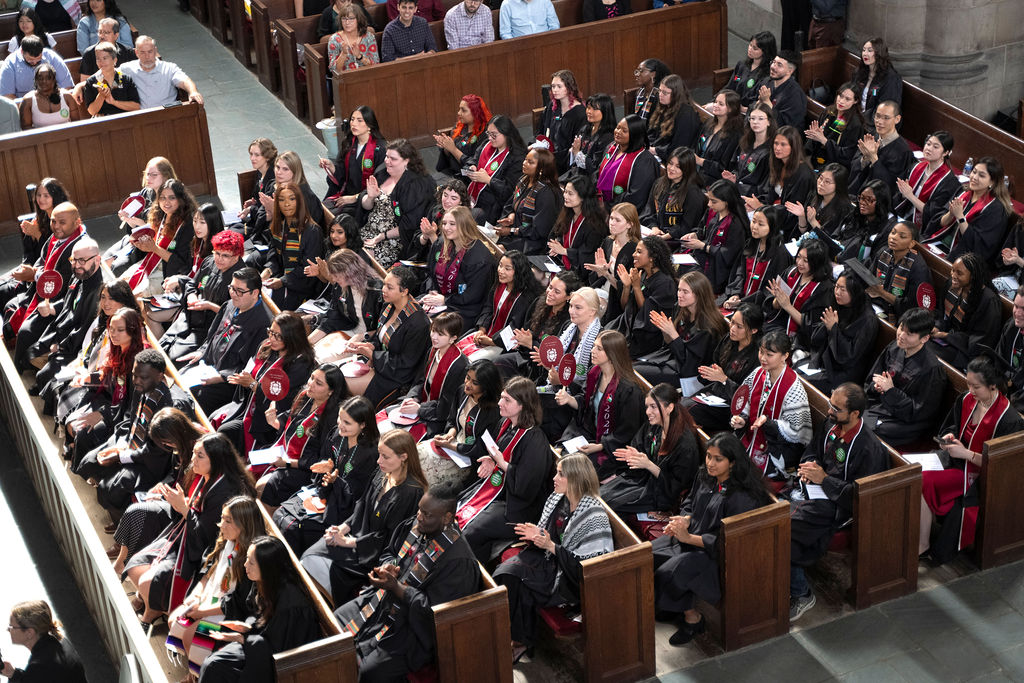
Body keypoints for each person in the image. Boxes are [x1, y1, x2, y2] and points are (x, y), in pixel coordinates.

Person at [334, 483, 479, 681]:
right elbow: (391, 552)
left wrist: (398, 588)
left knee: (368, 672)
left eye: (427, 515)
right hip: (382, 601)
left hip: (411, 628)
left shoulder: (459, 562)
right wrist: (388, 566)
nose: (419, 517)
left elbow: (435, 613)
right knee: (336, 623)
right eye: (420, 510)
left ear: (447, 517)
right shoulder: (417, 525)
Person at [124, 433, 257, 629]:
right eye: (194, 453)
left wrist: (184, 509)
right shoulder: (208, 476)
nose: (193, 459)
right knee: (135, 567)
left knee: (146, 581)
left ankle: (150, 612)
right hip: (185, 536)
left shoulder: (226, 491)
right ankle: (151, 606)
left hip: (203, 551)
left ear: (217, 460)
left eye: (200, 456)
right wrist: (179, 504)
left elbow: (208, 536)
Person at [652, 432, 771, 645]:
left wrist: (688, 538)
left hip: (718, 557)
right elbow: (689, 501)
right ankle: (673, 606)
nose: (710, 463)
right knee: (648, 554)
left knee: (672, 570)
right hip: (691, 537)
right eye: (708, 456)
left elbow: (727, 542)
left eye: (718, 459)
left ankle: (692, 619)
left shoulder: (742, 497)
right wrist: (685, 519)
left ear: (732, 463)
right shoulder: (705, 476)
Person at [493, 455, 613, 661]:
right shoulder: (560, 499)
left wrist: (549, 544)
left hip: (568, 577)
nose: (554, 478)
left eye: (561, 474)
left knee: (515, 580)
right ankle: (519, 639)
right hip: (549, 559)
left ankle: (520, 641)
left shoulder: (594, 516)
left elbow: (588, 568)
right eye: (556, 472)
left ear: (576, 479)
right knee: (506, 575)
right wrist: (537, 534)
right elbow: (548, 535)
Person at [787, 382, 888, 621]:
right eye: (831, 405)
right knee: (778, 526)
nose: (830, 411)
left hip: (839, 508)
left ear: (854, 414)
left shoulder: (869, 448)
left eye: (836, 408)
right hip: (816, 492)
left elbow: (860, 496)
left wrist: (824, 480)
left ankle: (800, 592)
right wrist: (810, 465)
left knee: (781, 526)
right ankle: (799, 590)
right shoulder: (831, 424)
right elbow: (813, 450)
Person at [301, 429, 427, 604]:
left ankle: (330, 610)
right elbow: (362, 504)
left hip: (373, 553)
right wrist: (342, 528)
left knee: (333, 568)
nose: (378, 461)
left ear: (404, 457)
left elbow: (389, 538)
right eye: (379, 455)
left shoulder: (410, 492)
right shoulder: (382, 473)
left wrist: (347, 542)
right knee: (310, 554)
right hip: (358, 536)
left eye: (385, 457)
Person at [920, 357, 1024, 565]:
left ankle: (922, 546)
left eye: (976, 386)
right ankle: (921, 539)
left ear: (993, 386)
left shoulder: (1008, 419)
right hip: (956, 460)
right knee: (915, 472)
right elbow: (951, 426)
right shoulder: (966, 400)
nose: (971, 390)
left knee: (923, 480)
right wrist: (949, 438)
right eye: (968, 384)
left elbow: (1002, 465)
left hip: (978, 475)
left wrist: (966, 454)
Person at [165, 496, 265, 678]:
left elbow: (238, 602)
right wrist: (197, 594)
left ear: (244, 525)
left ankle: (197, 675)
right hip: (210, 599)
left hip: (231, 613)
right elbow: (208, 572)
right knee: (174, 620)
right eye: (222, 518)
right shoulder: (226, 541)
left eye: (228, 521)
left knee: (190, 636)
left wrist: (201, 612)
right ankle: (194, 673)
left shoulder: (250, 560)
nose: (221, 525)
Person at [198, 536, 320, 682]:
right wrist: (248, 627)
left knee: (216, 668)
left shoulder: (292, 606)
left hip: (277, 663)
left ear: (267, 566)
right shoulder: (265, 581)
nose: (245, 565)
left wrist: (243, 638)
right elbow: (259, 618)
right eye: (247, 559)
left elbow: (280, 649)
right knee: (211, 663)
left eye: (251, 562)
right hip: (257, 644)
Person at [457, 376, 553, 561]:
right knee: (456, 504)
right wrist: (492, 460)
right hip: (501, 492)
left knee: (471, 530)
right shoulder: (507, 423)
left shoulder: (535, 440)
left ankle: (471, 575)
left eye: (507, 400)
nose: (500, 402)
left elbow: (525, 488)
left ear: (523, 405)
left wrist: (501, 463)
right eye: (501, 397)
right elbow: (500, 453)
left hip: (518, 507)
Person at [73, 349, 174, 521]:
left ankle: (121, 528)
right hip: (128, 441)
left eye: (143, 377)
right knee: (90, 461)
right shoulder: (140, 387)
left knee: (110, 489)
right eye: (135, 375)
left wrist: (123, 455)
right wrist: (119, 444)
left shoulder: (168, 407)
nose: (136, 381)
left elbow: (156, 450)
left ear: (159, 376)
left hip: (149, 462)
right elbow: (129, 418)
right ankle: (113, 508)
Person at [272, 395, 380, 555]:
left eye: (347, 423)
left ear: (363, 425)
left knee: (295, 528)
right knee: (281, 513)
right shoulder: (337, 435)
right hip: (322, 489)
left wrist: (337, 481)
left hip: (343, 505)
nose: (340, 425)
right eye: (340, 419)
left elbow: (359, 493)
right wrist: (326, 468)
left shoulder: (370, 453)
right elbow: (325, 459)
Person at [107, 407, 204, 573]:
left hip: (186, 507)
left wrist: (168, 497)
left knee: (139, 513)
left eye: (168, 442)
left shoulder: (201, 449)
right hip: (174, 496)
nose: (167, 446)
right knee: (135, 509)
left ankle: (124, 562)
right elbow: (174, 474)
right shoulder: (179, 444)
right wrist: (163, 487)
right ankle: (123, 559)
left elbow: (194, 489)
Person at [215, 313, 319, 457]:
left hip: (266, 420)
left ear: (292, 338)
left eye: (279, 336)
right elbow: (251, 369)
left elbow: (282, 399)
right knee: (214, 418)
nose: (272, 339)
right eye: (271, 332)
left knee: (225, 431)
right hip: (246, 405)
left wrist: (253, 385)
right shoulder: (268, 348)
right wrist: (244, 379)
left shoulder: (301, 364)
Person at [178, 268, 271, 414]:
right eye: (231, 288)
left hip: (230, 383)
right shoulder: (230, 305)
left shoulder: (263, 325)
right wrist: (202, 351)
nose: (233, 293)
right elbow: (212, 335)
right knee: (179, 375)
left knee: (195, 397)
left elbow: (250, 365)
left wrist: (221, 377)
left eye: (239, 291)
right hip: (207, 366)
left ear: (254, 293)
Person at [2, 201, 86, 360]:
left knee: (27, 331)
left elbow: (62, 282)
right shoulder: (55, 238)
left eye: (62, 222)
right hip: (43, 290)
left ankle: (19, 368)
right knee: (10, 305)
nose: (56, 226)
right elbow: (41, 260)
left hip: (59, 300)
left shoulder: (80, 247)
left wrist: (35, 275)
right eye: (53, 221)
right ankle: (12, 344)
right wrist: (36, 272)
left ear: (77, 223)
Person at [601, 383, 701, 515]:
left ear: (669, 407)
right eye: (647, 407)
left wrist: (649, 465)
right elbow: (640, 445)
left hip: (660, 493)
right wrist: (636, 455)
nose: (648, 412)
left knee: (610, 505)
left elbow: (676, 487)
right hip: (643, 479)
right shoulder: (654, 425)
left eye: (653, 407)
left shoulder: (685, 444)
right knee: (599, 496)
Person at [557, 330, 645, 480]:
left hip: (611, 447)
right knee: (559, 454)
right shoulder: (595, 373)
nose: (593, 351)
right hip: (589, 433)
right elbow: (585, 403)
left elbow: (627, 432)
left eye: (599, 348)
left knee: (572, 469)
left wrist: (600, 446)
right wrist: (569, 399)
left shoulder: (629, 390)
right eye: (594, 346)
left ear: (612, 354)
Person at [344, 266, 431, 408]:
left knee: (342, 383)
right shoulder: (388, 306)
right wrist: (370, 346)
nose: (383, 289)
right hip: (382, 363)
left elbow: (406, 364)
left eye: (389, 287)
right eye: (384, 284)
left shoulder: (418, 323)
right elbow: (380, 338)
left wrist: (373, 355)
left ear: (404, 291)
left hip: (397, 377)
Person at [730, 330, 813, 478]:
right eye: (761, 352)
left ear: (785, 356)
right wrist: (742, 418)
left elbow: (798, 430)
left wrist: (769, 423)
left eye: (769, 354)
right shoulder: (757, 373)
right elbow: (746, 402)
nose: (763, 358)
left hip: (775, 449)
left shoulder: (793, 389)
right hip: (751, 437)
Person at [17, 237, 103, 377]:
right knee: (28, 350)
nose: (76, 265)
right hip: (62, 328)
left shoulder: (99, 292)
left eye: (82, 260)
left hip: (73, 343)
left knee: (43, 375)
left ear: (97, 260)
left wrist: (60, 345)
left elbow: (84, 329)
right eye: (73, 260)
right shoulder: (80, 274)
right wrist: (52, 308)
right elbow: (69, 301)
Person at [863, 307, 947, 446]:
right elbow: (872, 377)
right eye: (901, 328)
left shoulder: (932, 369)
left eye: (909, 334)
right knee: (850, 412)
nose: (901, 335)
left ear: (925, 338)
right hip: (883, 406)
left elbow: (920, 412)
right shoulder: (894, 347)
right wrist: (877, 386)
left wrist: (891, 391)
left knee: (870, 430)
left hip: (907, 423)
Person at [160, 228, 245, 362]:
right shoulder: (209, 262)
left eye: (225, 256)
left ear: (236, 256)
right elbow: (192, 284)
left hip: (213, 328)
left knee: (174, 358)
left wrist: (210, 306)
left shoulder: (242, 279)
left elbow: (237, 315)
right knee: (161, 348)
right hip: (192, 316)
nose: (219, 259)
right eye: (217, 253)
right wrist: (191, 295)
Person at [420, 359, 502, 489]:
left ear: (486, 386)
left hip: (469, 458)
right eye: (467, 378)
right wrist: (450, 434)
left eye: (474, 383)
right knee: (417, 453)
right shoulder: (462, 392)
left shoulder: (493, 411)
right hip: (453, 443)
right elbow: (452, 419)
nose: (467, 384)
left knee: (428, 473)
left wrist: (452, 446)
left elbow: (481, 447)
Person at [637, 271, 728, 387]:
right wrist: (665, 330)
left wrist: (672, 333)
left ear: (699, 295)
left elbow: (689, 363)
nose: (680, 295)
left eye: (685, 292)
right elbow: (669, 345)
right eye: (679, 290)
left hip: (689, 374)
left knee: (634, 373)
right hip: (672, 360)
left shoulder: (708, 327)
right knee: (630, 369)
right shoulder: (680, 309)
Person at [359, 139, 436, 267]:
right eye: (386, 156)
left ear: (407, 161)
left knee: (363, 265)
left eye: (393, 159)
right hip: (369, 230)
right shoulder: (384, 173)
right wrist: (370, 198)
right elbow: (366, 207)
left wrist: (381, 236)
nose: (387, 161)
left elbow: (409, 225)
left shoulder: (416, 186)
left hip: (393, 240)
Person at [687, 304, 763, 432]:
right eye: (732, 322)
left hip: (732, 407)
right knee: (681, 406)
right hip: (715, 393)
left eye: (739, 326)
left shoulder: (758, 356)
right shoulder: (730, 339)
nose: (732, 328)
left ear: (753, 330)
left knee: (688, 412)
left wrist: (724, 379)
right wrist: (711, 372)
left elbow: (747, 396)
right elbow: (717, 361)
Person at [114, 178, 197, 292]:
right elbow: (153, 246)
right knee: (119, 287)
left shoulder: (187, 225)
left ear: (181, 199)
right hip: (149, 263)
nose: (166, 202)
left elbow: (181, 264)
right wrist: (143, 245)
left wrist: (154, 248)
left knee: (131, 293)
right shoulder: (159, 216)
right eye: (162, 198)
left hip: (168, 273)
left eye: (171, 198)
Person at [802, 270, 878, 391]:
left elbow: (850, 356)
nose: (837, 292)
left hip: (845, 372)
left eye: (843, 289)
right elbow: (818, 336)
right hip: (826, 359)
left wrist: (833, 328)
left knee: (803, 383)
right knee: (794, 371)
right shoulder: (840, 304)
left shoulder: (867, 320)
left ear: (855, 291)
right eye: (836, 286)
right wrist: (828, 326)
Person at [397, 312, 468, 438]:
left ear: (453, 338)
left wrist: (420, 409)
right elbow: (421, 380)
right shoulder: (433, 351)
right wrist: (413, 397)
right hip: (423, 404)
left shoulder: (459, 365)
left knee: (402, 439)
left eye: (440, 334)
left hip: (438, 417)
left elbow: (448, 405)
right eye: (433, 331)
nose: (434, 337)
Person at [421, 206, 496, 326]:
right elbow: (430, 272)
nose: (446, 228)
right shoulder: (441, 244)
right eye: (444, 223)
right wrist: (432, 293)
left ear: (464, 225)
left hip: (465, 310)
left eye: (452, 224)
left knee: (424, 324)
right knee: (410, 310)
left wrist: (445, 300)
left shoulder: (479, 258)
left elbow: (474, 295)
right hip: (440, 298)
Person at [933, 156, 1013, 265]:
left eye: (981, 175)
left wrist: (960, 217)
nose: (974, 177)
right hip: (940, 241)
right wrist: (951, 214)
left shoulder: (995, 210)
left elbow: (978, 246)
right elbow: (939, 223)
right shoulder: (963, 192)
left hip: (963, 258)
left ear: (992, 182)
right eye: (974, 172)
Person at [608, 236, 678, 359]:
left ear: (652, 257)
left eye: (639, 252)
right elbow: (626, 307)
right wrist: (627, 286)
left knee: (611, 349)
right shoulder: (643, 274)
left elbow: (649, 315)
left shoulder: (665, 283)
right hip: (629, 326)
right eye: (635, 251)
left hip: (647, 336)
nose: (634, 254)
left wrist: (636, 287)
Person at [931, 253, 1002, 372]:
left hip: (965, 352)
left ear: (973, 276)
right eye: (952, 270)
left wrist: (947, 336)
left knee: (928, 352)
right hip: (946, 339)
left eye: (959, 273)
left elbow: (981, 341)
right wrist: (937, 327)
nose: (953, 275)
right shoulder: (951, 285)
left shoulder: (988, 301)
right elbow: (942, 314)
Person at [260, 181, 325, 310]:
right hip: (282, 277)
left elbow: (308, 268)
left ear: (300, 202)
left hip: (304, 286)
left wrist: (283, 281)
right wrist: (267, 271)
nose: (287, 204)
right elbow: (274, 256)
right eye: (282, 200)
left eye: (292, 199)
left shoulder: (312, 231)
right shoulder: (279, 226)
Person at [761, 239, 833, 350]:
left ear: (816, 262)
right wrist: (777, 301)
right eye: (799, 257)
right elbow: (773, 306)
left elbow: (812, 325)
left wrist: (787, 306)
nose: (799, 263)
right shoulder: (791, 272)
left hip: (798, 337)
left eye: (806, 260)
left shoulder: (823, 288)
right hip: (777, 323)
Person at [745, 125, 815, 238]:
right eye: (776, 143)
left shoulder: (803, 174)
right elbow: (770, 193)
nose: (777, 148)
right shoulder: (778, 164)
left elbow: (791, 213)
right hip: (774, 212)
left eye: (783, 144)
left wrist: (761, 208)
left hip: (790, 227)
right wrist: (756, 204)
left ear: (793, 147)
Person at [681, 179, 749, 294]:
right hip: (703, 261)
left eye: (714, 201)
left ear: (726, 202)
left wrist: (703, 246)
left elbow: (730, 255)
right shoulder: (713, 214)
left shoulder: (735, 224)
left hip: (719, 272)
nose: (709, 204)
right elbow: (702, 230)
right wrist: (696, 235)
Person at [471, 249, 543, 357]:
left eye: (507, 268)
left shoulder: (526, 297)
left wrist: (491, 341)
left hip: (504, 345)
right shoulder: (500, 285)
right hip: (486, 334)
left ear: (518, 271)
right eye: (500, 265)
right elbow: (488, 307)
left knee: (473, 360)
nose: (501, 271)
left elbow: (515, 328)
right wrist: (482, 329)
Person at [720, 205, 793, 308]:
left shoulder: (780, 254)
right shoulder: (751, 243)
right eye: (753, 221)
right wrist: (735, 294)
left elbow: (770, 289)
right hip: (741, 297)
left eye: (761, 224)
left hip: (760, 306)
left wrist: (742, 302)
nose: (754, 227)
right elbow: (740, 272)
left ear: (772, 227)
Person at [463, 114, 528, 225]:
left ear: (506, 133)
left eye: (494, 135)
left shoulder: (517, 157)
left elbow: (510, 191)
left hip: (495, 205)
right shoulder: (486, 145)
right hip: (474, 196)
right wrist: (471, 167)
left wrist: (488, 180)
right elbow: (472, 160)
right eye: (488, 134)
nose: (489, 138)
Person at [308, 248, 383, 344]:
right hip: (348, 331)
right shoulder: (340, 287)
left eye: (337, 276)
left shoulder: (377, 291)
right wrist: (307, 343)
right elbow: (332, 318)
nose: (334, 279)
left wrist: (363, 336)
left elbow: (385, 329)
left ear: (350, 272)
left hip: (370, 340)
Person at [321, 107, 386, 215]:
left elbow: (380, 183)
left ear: (369, 125)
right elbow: (341, 172)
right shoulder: (348, 143)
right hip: (345, 196)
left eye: (359, 120)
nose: (353, 124)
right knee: (321, 210)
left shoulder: (380, 149)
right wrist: (331, 167)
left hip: (366, 201)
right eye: (352, 119)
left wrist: (355, 198)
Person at [1, 600, 86, 682]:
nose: (8, 629)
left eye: (12, 627)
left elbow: (40, 675)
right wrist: (13, 674)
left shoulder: (39, 666)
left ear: (29, 633)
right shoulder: (60, 641)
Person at [495, 148, 561, 255]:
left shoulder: (547, 192)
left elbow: (540, 230)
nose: (524, 163)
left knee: (499, 251)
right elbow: (511, 204)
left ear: (541, 168)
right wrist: (511, 216)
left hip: (532, 242)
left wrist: (512, 231)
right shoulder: (524, 180)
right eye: (525, 159)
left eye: (530, 162)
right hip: (516, 233)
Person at [866, 221, 935, 319]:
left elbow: (912, 307)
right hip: (875, 303)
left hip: (898, 316)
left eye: (902, 236)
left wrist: (882, 293)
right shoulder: (883, 252)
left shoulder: (918, 268)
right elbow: (869, 277)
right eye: (893, 232)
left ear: (911, 244)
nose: (894, 238)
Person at [585, 202, 639, 322]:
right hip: (601, 289)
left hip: (616, 299)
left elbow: (626, 288)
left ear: (629, 224)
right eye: (611, 218)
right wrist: (599, 271)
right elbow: (595, 279)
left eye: (617, 220)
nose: (612, 223)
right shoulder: (608, 242)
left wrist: (606, 274)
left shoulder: (634, 250)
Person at [894, 131, 959, 231]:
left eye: (935, 147)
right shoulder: (916, 166)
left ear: (946, 153)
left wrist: (910, 196)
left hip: (921, 228)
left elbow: (933, 214)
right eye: (928, 144)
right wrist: (903, 193)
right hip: (903, 215)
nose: (929, 148)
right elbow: (900, 196)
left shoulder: (948, 181)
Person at [848, 101, 913, 200]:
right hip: (855, 193)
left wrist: (874, 159)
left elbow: (890, 185)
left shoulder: (903, 151)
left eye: (886, 118)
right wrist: (865, 158)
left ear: (897, 119)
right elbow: (854, 166)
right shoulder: (872, 135)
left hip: (875, 202)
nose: (879, 121)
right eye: (877, 116)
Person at [117, 36, 204, 108]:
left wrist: (193, 91)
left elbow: (185, 80)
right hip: (142, 117)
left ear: (155, 50)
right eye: (142, 52)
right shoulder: (126, 68)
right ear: (136, 52)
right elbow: (108, 75)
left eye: (150, 52)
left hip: (168, 114)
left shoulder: (169, 68)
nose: (147, 56)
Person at [547, 175, 607, 279]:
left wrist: (564, 251)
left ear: (583, 197)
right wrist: (555, 247)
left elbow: (588, 255)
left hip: (579, 275)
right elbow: (553, 234)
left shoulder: (595, 223)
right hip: (560, 264)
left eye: (570, 193)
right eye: (565, 192)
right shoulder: (567, 213)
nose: (565, 196)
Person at [596, 115, 660, 208]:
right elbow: (599, 173)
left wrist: (608, 207)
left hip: (623, 212)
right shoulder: (611, 148)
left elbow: (637, 196)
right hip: (600, 205)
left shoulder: (645, 161)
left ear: (635, 135)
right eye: (618, 127)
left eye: (624, 131)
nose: (618, 132)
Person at [643, 147, 706, 240]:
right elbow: (649, 211)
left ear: (687, 169)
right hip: (656, 234)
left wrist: (665, 237)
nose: (671, 168)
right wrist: (654, 227)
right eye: (670, 163)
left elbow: (688, 225)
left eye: (678, 166)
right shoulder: (659, 183)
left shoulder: (693, 193)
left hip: (677, 241)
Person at [803, 81, 864, 170]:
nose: (841, 101)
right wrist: (812, 139)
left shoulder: (854, 125)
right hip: (816, 157)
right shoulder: (829, 111)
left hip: (834, 166)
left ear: (855, 101)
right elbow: (816, 137)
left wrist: (825, 141)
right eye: (841, 96)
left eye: (847, 99)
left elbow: (847, 155)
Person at [789, 163, 854, 242]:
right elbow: (804, 232)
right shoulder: (813, 196)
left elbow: (830, 242)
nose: (821, 184)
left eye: (827, 182)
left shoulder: (844, 210)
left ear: (838, 185)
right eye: (820, 178)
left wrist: (813, 222)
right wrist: (802, 216)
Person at [538, 69, 586, 174]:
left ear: (569, 88)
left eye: (559, 86)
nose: (555, 90)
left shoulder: (580, 113)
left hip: (568, 159)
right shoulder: (553, 107)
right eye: (553, 86)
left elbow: (579, 141)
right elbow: (544, 130)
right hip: (550, 155)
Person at [722, 102, 775, 196]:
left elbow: (765, 186)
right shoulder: (745, 142)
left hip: (753, 197)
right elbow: (735, 167)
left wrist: (739, 187)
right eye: (752, 118)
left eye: (760, 119)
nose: (755, 122)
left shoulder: (771, 150)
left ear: (769, 122)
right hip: (736, 190)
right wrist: (734, 177)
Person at [433, 94, 490, 176]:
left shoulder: (485, 135)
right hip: (452, 171)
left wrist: (453, 149)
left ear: (476, 113)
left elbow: (475, 165)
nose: (459, 113)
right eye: (459, 109)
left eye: (463, 110)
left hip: (468, 177)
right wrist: (446, 147)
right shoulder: (459, 127)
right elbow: (448, 158)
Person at [646, 74, 699, 163]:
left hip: (674, 159)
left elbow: (679, 147)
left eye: (665, 93)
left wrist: (654, 150)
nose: (660, 95)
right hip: (657, 150)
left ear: (676, 94)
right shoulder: (665, 105)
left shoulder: (686, 115)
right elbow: (653, 132)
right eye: (660, 91)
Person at [694, 90, 744, 182]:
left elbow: (724, 168)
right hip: (696, 171)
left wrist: (701, 162)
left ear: (731, 109)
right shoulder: (708, 123)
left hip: (712, 179)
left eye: (721, 104)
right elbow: (696, 146)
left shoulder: (734, 135)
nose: (715, 105)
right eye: (715, 102)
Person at [0, 34, 72, 97]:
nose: (34, 63)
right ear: (22, 52)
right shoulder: (10, 63)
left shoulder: (51, 57)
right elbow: (7, 95)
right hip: (23, 106)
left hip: (53, 102)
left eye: (38, 60)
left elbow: (67, 86)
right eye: (31, 60)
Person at [853, 38, 902, 128]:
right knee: (835, 123)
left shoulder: (890, 79)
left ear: (879, 53)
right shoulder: (860, 72)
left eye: (870, 50)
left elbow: (886, 109)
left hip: (876, 124)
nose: (865, 53)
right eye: (863, 50)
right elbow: (852, 93)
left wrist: (860, 119)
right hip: (858, 118)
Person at [81, 41, 140, 117]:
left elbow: (136, 106)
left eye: (105, 58)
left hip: (124, 119)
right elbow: (92, 111)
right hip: (102, 122)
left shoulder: (125, 79)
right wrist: (101, 96)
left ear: (115, 60)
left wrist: (114, 102)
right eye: (98, 59)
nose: (101, 62)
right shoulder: (91, 82)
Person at [567, 92, 616, 180]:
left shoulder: (608, 137)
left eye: (594, 109)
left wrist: (577, 153)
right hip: (576, 173)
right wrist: (573, 151)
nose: (589, 112)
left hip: (590, 179)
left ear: (605, 111)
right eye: (588, 108)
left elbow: (595, 167)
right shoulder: (585, 129)